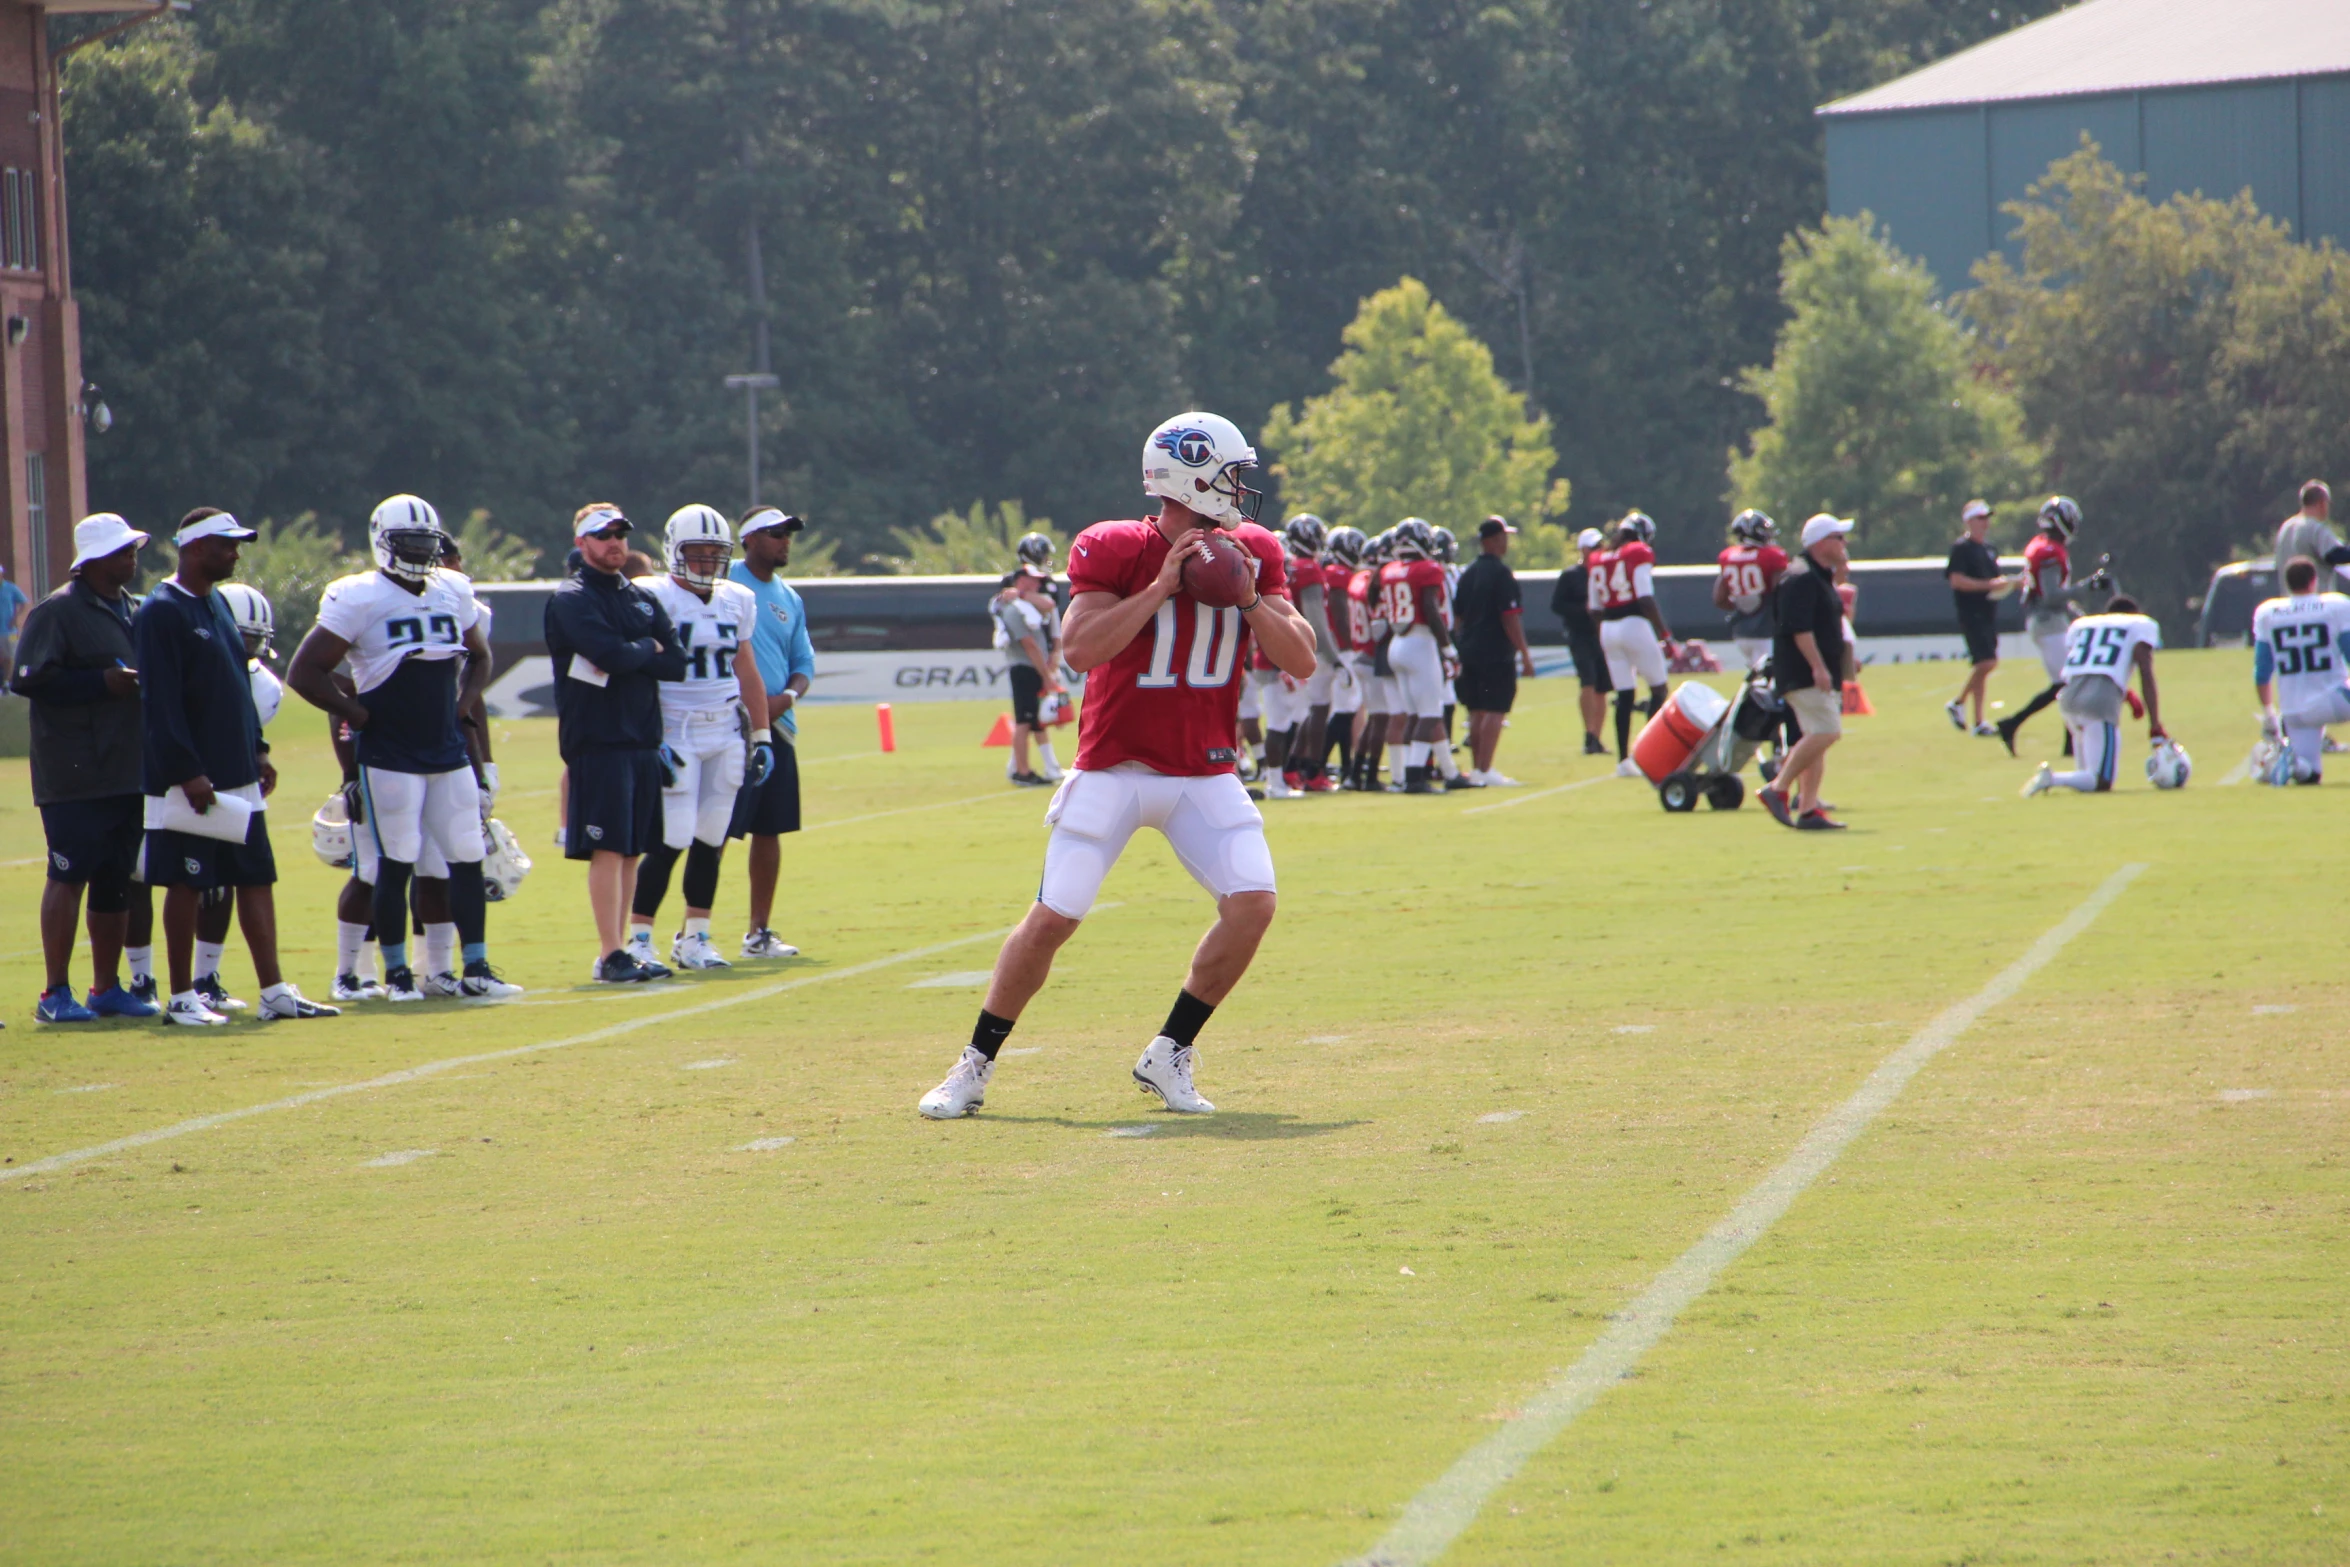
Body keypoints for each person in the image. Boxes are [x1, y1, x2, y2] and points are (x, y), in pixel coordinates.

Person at [916, 410, 1317, 1119]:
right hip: (1115, 767)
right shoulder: (1115, 546)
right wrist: (1162, 585)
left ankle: (1169, 1051)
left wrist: (1248, 596)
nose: (1241, 487)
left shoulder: (1252, 549)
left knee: (1253, 903)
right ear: (1191, 476)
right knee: (1053, 918)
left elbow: (1302, 659)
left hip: (1205, 770)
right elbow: (1081, 649)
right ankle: (973, 1064)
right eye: (1230, 473)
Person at [285, 496, 520, 1000]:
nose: (418, 553)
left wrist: (465, 703)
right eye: (408, 544)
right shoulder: (359, 596)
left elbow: (480, 657)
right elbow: (305, 672)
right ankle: (395, 976)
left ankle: (473, 968)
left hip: (446, 747)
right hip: (390, 752)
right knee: (396, 861)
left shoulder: (452, 589)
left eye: (425, 544)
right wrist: (358, 714)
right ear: (382, 542)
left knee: (466, 855)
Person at [135, 509, 339, 1022]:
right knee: (188, 882)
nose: (236, 553)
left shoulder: (218, 605)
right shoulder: (162, 611)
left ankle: (273, 992)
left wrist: (259, 748)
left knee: (255, 878)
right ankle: (182, 997)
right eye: (227, 545)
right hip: (189, 780)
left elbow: (236, 688)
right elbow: (160, 704)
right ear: (197, 547)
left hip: (237, 772)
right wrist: (186, 770)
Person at [12, 513, 160, 1022]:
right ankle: (54, 993)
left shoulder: (135, 609)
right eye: (123, 552)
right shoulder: (57, 611)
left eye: (132, 549)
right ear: (94, 560)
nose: (132, 558)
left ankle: (106, 988)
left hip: (126, 767)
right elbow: (28, 678)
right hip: (74, 771)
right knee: (68, 874)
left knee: (116, 878)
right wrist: (100, 683)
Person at [624, 504, 772, 970]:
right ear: (673, 550)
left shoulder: (737, 598)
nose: (707, 561)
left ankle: (695, 936)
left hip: (725, 728)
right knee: (671, 837)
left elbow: (745, 667)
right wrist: (648, 733)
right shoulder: (650, 595)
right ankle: (639, 938)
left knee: (711, 836)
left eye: (715, 553)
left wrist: (763, 734)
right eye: (698, 552)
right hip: (675, 729)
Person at [544, 503, 687, 983]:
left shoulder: (638, 597)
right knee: (608, 850)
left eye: (621, 535)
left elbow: (678, 662)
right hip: (599, 739)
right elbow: (612, 654)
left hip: (643, 738)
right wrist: (647, 648)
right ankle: (609, 953)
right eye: (603, 536)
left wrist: (637, 654)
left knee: (631, 850)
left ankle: (623, 949)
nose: (615, 544)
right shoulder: (572, 598)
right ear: (582, 543)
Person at [183, 582, 285, 1012]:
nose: (249, 650)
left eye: (256, 642)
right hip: (185, 783)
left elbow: (245, 726)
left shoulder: (262, 685)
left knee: (235, 881)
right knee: (174, 882)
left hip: (235, 782)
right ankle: (149, 979)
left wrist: (259, 753)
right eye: (244, 638)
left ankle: (206, 977)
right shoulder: (191, 661)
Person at [727, 506, 817, 958]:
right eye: (776, 533)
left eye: (789, 534)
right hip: (723, 724)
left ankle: (758, 933)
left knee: (769, 830)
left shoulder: (790, 597)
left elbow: (804, 665)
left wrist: (787, 698)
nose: (785, 541)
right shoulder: (725, 584)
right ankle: (691, 930)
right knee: (709, 830)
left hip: (778, 728)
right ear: (749, 539)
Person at [1758, 515, 1854, 831]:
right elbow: (1799, 629)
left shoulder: (1816, 576)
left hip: (1816, 670)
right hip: (1803, 672)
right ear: (1821, 543)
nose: (1845, 544)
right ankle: (1778, 788)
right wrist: (1818, 666)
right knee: (1828, 731)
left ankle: (1809, 809)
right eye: (1839, 538)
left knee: (1818, 737)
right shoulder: (1800, 577)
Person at [2023, 595, 2166, 796]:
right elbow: (2146, 673)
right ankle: (2052, 778)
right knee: (2100, 780)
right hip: (2100, 702)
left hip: (2069, 698)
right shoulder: (2139, 625)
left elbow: (2093, 664)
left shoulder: (2084, 625)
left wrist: (2126, 694)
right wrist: (2155, 723)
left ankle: (2059, 781)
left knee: (2085, 777)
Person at [1995, 496, 2099, 755]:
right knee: (2069, 683)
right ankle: (2014, 724)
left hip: (2047, 621)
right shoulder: (2050, 552)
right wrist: (2085, 588)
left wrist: (2073, 609)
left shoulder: (2043, 545)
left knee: (2066, 683)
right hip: (2047, 623)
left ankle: (2062, 742)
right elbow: (2051, 594)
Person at [1374, 518, 1462, 793]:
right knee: (1429, 713)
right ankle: (1414, 776)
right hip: (1420, 642)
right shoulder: (1428, 569)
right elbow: (1431, 609)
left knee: (1415, 713)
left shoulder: (1389, 569)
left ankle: (1446, 772)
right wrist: (1448, 648)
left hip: (1396, 644)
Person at [1452, 515, 1536, 786]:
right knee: (1494, 709)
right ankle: (1486, 769)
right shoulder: (1501, 574)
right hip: (1494, 650)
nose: (1506, 543)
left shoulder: (1468, 573)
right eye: (1503, 537)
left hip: (1469, 648)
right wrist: (1523, 652)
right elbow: (1509, 617)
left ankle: (1478, 769)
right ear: (1493, 540)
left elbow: (1458, 618)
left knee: (1476, 710)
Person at [1590, 511, 1675, 775]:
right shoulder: (1637, 553)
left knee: (1625, 694)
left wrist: (1604, 635)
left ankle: (1623, 760)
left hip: (1607, 627)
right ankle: (1650, 754)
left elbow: (1594, 608)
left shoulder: (1599, 558)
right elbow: (1645, 597)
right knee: (1659, 690)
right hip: (1634, 624)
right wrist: (1665, 633)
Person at [2251, 557, 2350, 784]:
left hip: (2293, 712)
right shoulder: (2335, 606)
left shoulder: (2268, 612)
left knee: (2309, 774)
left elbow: (2262, 672)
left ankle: (2292, 764)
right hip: (2334, 700)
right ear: (2313, 580)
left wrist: (2268, 714)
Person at [993, 533, 1064, 787]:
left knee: (1036, 717)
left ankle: (1023, 767)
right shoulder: (1010, 592)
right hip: (1029, 659)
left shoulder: (1036, 589)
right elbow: (1025, 636)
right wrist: (1046, 671)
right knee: (1030, 718)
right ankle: (1024, 770)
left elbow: (1051, 610)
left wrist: (1055, 652)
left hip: (1041, 655)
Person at [1276, 513, 1339, 793]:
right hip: (1310, 644)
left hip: (1288, 641)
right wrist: (1333, 654)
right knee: (1316, 711)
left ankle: (1293, 768)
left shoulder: (1290, 565)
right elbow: (1315, 617)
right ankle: (1310, 769)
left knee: (1301, 712)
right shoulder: (1310, 568)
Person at [1943, 500, 2011, 735]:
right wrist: (1988, 585)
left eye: (1986, 518)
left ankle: (1979, 721)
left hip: (1988, 612)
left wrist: (2006, 584)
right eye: (1980, 518)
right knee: (1987, 662)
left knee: (1984, 664)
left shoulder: (1989, 549)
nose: (1985, 523)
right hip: (1971, 613)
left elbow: (1994, 580)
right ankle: (1958, 703)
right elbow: (1957, 580)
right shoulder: (1962, 548)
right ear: (1969, 522)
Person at [1551, 527, 1612, 756]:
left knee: (1603, 687)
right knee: (1588, 681)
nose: (1599, 551)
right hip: (1580, 636)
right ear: (1584, 550)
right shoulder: (1571, 576)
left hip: (1602, 636)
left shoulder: (1604, 572)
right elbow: (1557, 605)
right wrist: (1582, 610)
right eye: (1594, 547)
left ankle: (1597, 735)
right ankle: (1588, 734)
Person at [1320, 525, 1369, 787]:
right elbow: (1339, 612)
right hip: (1341, 648)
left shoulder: (1333, 571)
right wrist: (1351, 644)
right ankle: (1322, 766)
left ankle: (1341, 765)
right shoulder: (1338, 573)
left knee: (1344, 709)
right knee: (1345, 709)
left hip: (1336, 648)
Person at [1713, 509, 1787, 674]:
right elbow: (1781, 593)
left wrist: (1742, 604)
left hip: (1741, 633)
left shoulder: (1728, 557)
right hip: (1767, 631)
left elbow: (1719, 599)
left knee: (1757, 677)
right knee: (1772, 681)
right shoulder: (1772, 555)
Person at [2273, 481, 2348, 586]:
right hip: (2314, 599)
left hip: (2289, 599)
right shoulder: (2315, 527)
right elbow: (2337, 555)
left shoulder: (2285, 528)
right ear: (2322, 503)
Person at [0, 559, 28, 670]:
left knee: (12, 656)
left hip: (10, 630)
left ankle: (8, 682)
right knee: (2, 657)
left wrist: (15, 618)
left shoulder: (11, 588)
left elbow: (24, 603)